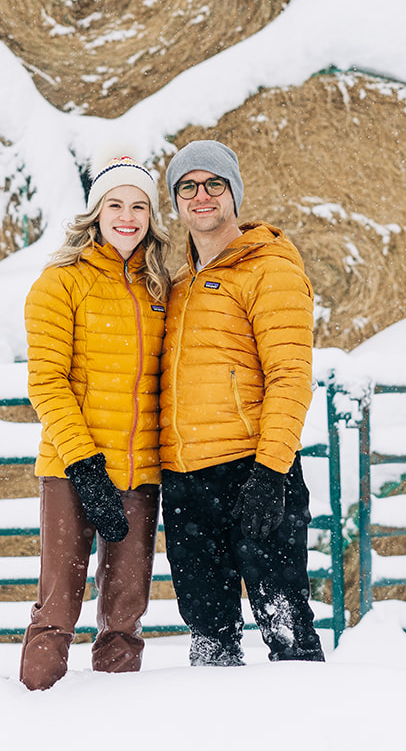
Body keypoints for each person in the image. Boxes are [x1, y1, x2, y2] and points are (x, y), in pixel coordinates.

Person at [159, 139, 325, 666]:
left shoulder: (268, 268)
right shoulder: (179, 283)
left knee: (286, 627)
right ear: (176, 200)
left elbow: (290, 376)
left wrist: (271, 473)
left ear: (234, 192)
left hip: (253, 472)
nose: (200, 195)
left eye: (213, 184)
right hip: (186, 481)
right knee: (210, 639)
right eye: (188, 186)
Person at [19, 155, 173, 690]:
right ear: (96, 212)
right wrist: (84, 464)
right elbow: (46, 382)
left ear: (152, 217)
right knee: (59, 605)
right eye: (115, 204)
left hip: (141, 473)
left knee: (126, 614)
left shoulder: (161, 290)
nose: (126, 216)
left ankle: (115, 723)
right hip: (72, 468)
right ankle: (34, 712)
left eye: (139, 205)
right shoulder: (61, 283)